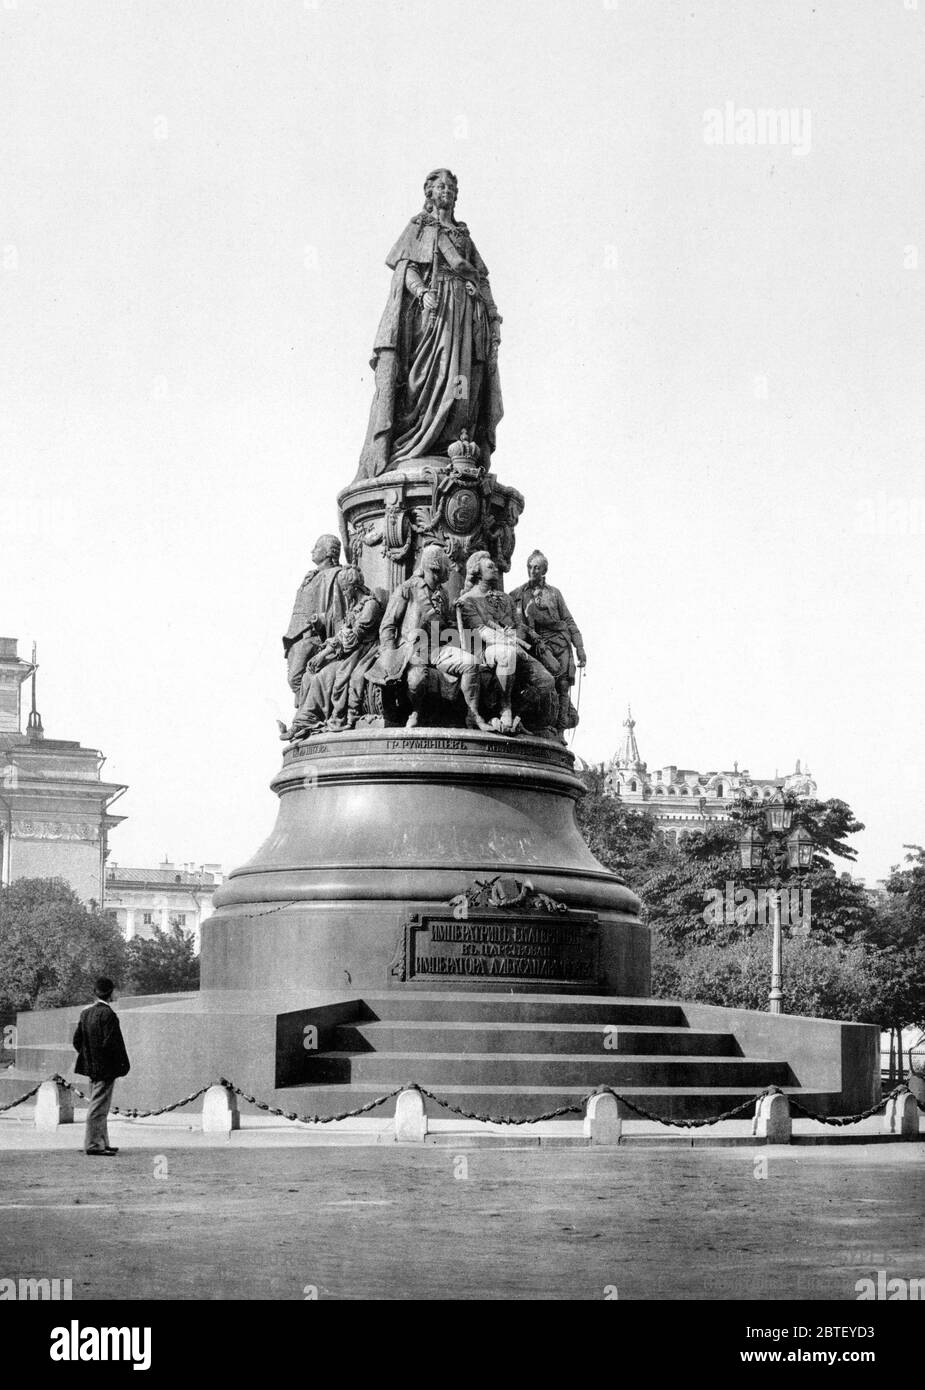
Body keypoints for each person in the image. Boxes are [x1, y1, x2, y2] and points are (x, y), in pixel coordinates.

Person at [355, 168, 503, 479]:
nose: (447, 190)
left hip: (465, 315)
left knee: (462, 380)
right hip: (435, 314)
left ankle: (453, 439)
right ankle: (415, 442)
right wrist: (422, 292)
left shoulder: (463, 235)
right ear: (430, 192)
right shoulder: (419, 227)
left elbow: (482, 276)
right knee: (425, 377)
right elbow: (406, 267)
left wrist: (490, 311)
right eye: (441, 186)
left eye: (451, 186)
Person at [368, 543, 486, 729]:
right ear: (435, 568)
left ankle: (472, 715)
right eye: (448, 565)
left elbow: (446, 627)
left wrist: (456, 618)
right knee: (417, 680)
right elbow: (388, 626)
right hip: (412, 650)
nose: (452, 569)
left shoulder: (444, 594)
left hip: (437, 649)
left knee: (471, 663)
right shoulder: (406, 589)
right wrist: (389, 656)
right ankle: (415, 711)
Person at [456, 550, 557, 736]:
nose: (495, 569)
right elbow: (481, 631)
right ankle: (505, 707)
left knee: (546, 680)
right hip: (485, 651)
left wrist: (515, 636)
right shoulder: (467, 600)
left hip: (513, 646)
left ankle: (518, 712)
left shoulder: (507, 599)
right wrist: (507, 640)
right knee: (506, 654)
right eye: (490, 567)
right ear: (477, 572)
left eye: (495, 566)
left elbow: (519, 625)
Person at [280, 568, 384, 739]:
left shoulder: (370, 606)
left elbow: (352, 637)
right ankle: (303, 723)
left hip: (364, 652)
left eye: (345, 589)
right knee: (310, 675)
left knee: (327, 676)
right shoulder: (354, 607)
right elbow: (342, 634)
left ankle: (307, 721)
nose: (344, 593)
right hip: (350, 651)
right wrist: (322, 654)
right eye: (342, 589)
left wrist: (324, 654)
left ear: (355, 587)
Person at [510, 550, 587, 741]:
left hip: (560, 643)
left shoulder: (554, 593)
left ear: (544, 570)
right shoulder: (518, 594)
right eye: (529, 566)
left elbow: (568, 620)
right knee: (539, 683)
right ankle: (531, 722)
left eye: (536, 567)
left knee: (562, 687)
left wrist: (580, 648)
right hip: (536, 645)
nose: (532, 570)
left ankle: (559, 731)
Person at [282, 534, 350, 701]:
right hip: (296, 636)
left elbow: (339, 612)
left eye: (317, 547)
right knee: (296, 681)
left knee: (297, 679)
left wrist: (319, 620)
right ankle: (304, 717)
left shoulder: (335, 575)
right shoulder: (312, 576)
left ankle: (310, 716)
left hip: (311, 637)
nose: (312, 551)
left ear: (328, 553)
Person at [72, 977, 131, 1157]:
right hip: (105, 1069)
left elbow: (77, 1041)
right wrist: (121, 1066)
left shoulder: (86, 1014)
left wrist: (89, 1057)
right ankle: (93, 1144)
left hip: (92, 1068)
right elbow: (113, 1044)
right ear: (110, 993)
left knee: (100, 1106)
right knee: (98, 1108)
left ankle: (102, 1141)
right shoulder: (109, 1015)